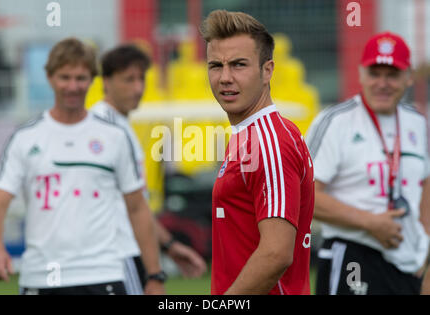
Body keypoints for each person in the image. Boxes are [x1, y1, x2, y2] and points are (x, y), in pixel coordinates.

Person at [0, 38, 165, 295]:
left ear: (92, 80)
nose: (72, 86)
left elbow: (137, 209)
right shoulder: (25, 138)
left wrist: (155, 275)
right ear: (49, 77)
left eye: (80, 78)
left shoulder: (114, 136)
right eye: (64, 77)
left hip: (103, 274)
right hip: (42, 277)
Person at [306, 31, 430, 295]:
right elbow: (303, 194)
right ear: (361, 74)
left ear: (408, 77)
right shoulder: (335, 121)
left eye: (392, 74)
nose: (382, 83)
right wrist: (370, 222)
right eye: (375, 73)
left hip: (408, 264)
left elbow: (426, 188)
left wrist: (426, 258)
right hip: (353, 254)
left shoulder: (418, 123)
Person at [200, 10, 315, 295]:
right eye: (216, 65)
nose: (225, 77)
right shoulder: (248, 136)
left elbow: (276, 254)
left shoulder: (269, 141)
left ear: (268, 70)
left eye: (239, 65)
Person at [89, 44, 207, 294]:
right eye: (128, 79)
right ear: (106, 82)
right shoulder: (104, 129)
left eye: (141, 79)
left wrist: (171, 245)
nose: (138, 88)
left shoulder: (120, 126)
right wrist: (155, 274)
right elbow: (132, 208)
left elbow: (135, 204)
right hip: (113, 256)